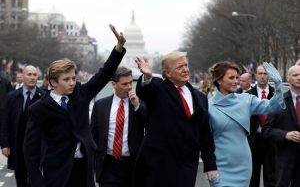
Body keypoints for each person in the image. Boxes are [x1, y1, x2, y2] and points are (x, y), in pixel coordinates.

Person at [23, 24, 126, 187]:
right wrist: (37, 182)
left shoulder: (81, 95)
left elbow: (104, 74)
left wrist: (118, 48)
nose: (72, 83)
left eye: (73, 78)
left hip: (83, 171)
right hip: (56, 173)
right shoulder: (38, 109)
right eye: (66, 79)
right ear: (53, 82)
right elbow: (30, 152)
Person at [134, 52, 218, 187]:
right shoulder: (158, 88)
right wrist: (147, 76)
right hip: (158, 166)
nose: (185, 69)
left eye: (186, 65)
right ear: (168, 73)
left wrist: (210, 165)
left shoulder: (200, 98)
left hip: (186, 167)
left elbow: (205, 135)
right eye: (180, 67)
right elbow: (145, 91)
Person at [207, 61, 285, 186]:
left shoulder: (246, 100)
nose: (236, 81)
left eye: (237, 77)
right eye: (231, 77)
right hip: (220, 165)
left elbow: (273, 107)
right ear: (219, 80)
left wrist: (279, 86)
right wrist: (209, 165)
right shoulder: (207, 106)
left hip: (243, 165)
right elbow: (205, 141)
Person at [91, 66, 146, 187]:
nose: (129, 87)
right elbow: (93, 136)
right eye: (124, 84)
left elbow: (149, 123)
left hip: (132, 165)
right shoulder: (100, 105)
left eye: (131, 83)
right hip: (108, 165)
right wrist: (94, 161)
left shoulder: (138, 104)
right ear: (114, 84)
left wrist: (137, 106)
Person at [1, 65, 44, 187]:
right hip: (17, 144)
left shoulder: (44, 97)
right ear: (23, 76)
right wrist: (4, 144)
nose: (32, 77)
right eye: (29, 74)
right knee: (20, 178)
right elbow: (5, 121)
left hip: (37, 146)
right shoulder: (12, 97)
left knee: (35, 179)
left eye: (34, 75)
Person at [262, 65, 300, 187]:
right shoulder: (279, 101)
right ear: (288, 79)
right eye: (295, 75)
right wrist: (285, 135)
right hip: (285, 157)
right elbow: (266, 130)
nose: (299, 78)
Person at [247, 65, 277, 187]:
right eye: (260, 73)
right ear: (256, 76)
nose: (263, 76)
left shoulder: (276, 95)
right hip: (254, 139)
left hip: (271, 139)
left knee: (271, 176)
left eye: (265, 74)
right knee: (253, 176)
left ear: (269, 76)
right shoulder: (248, 95)